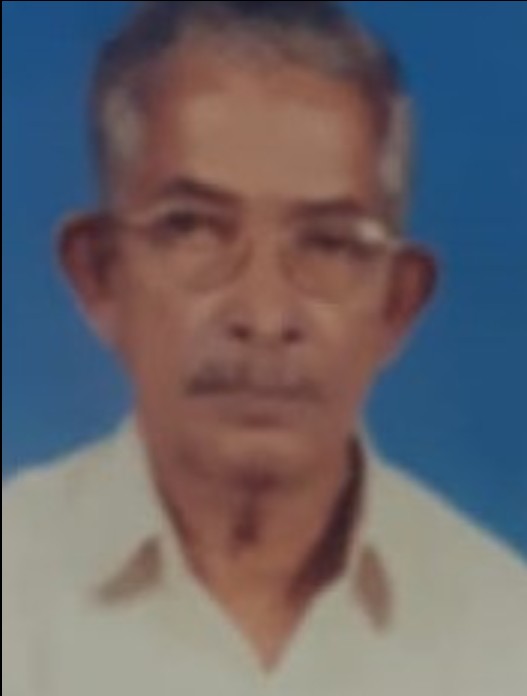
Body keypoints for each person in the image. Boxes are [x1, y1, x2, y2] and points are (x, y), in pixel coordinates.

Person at [3, 2, 526, 694]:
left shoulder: (503, 633)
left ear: (396, 304)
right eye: (193, 230)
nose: (264, 314)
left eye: (329, 244)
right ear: (100, 273)